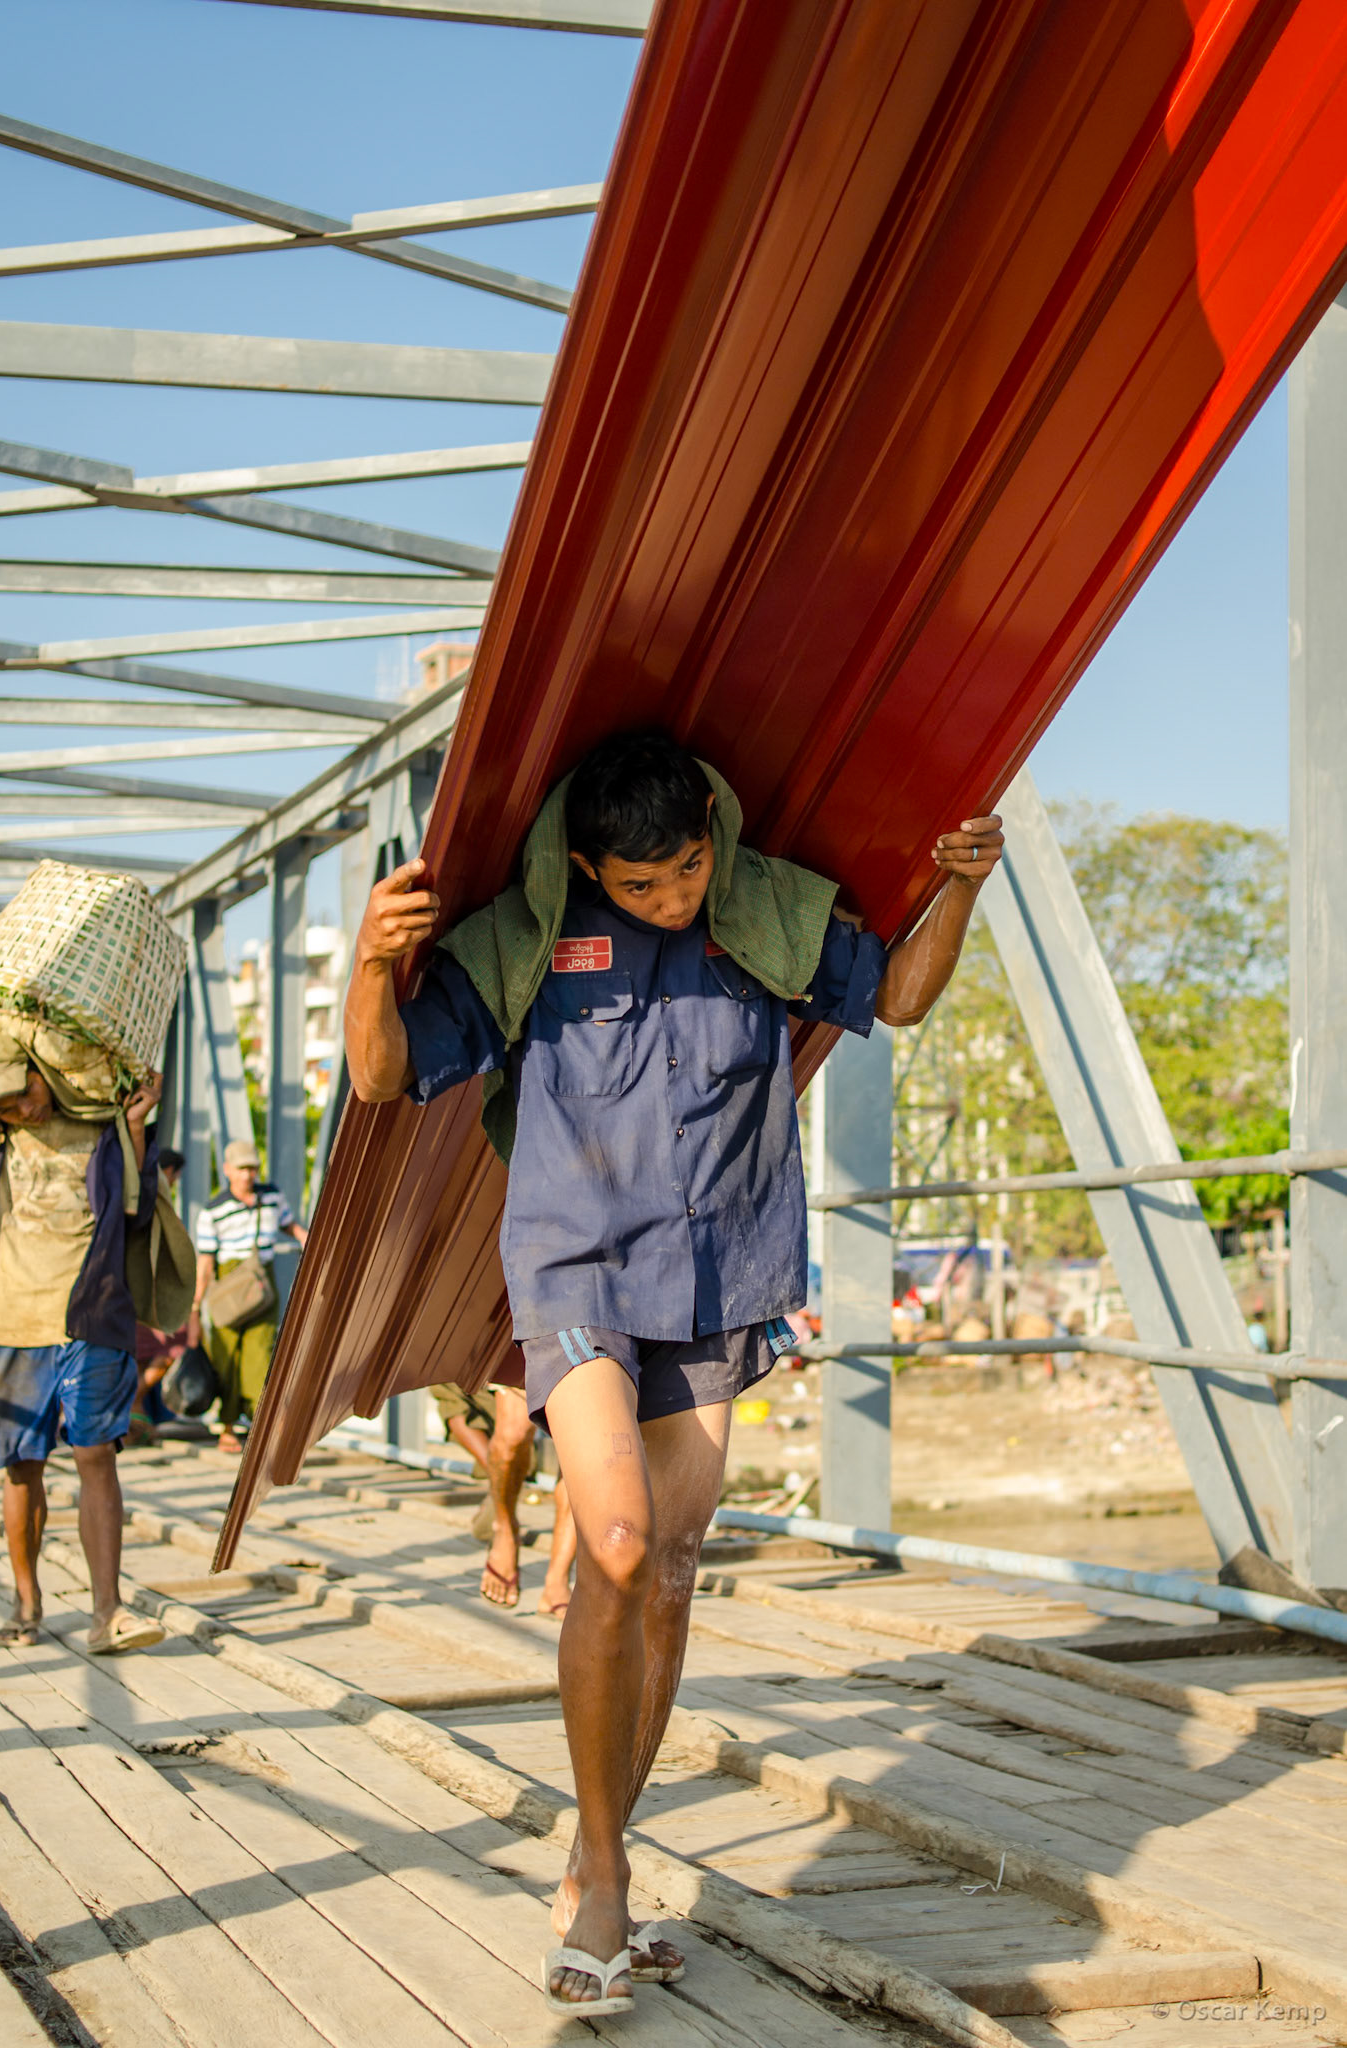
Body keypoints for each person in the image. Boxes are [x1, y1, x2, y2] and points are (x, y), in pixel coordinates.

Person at [343, 730, 1003, 2015]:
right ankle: (599, 1871)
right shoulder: (528, 933)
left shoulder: (764, 910)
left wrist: (964, 882)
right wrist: (373, 964)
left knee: (680, 1559)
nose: (672, 898)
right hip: (576, 1265)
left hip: (719, 1266)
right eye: (641, 886)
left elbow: (902, 998)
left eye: (689, 869)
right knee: (624, 1537)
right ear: (590, 863)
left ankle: (604, 1852)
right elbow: (380, 1071)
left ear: (714, 831)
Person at [0, 1037, 167, 1655]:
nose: (22, 1112)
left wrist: (137, 1122)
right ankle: (26, 1601)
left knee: (96, 1455)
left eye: (26, 1095)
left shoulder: (99, 1126)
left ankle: (106, 1613)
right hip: (11, 1318)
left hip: (88, 1315)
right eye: (6, 1106)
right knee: (22, 1464)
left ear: (46, 1076)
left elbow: (135, 1208)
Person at [190, 1140, 308, 1454]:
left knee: (261, 1352)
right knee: (226, 1355)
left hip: (261, 1279)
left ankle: (260, 1424)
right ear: (227, 1170)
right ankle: (227, 1426)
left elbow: (288, 1224)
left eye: (252, 1167)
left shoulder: (271, 1197)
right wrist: (195, 1306)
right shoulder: (213, 1210)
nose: (247, 1175)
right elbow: (205, 1263)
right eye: (241, 1168)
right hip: (227, 1281)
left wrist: (306, 1238)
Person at [433, 1378, 577, 1614]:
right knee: (512, 1434)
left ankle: (557, 1582)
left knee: (575, 1446)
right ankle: (505, 1527)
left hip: (593, 1343)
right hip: (521, 1344)